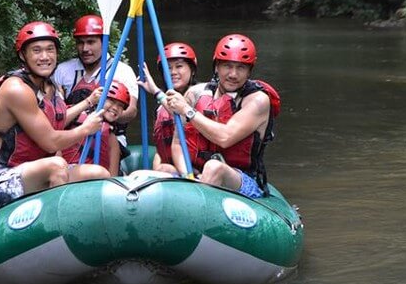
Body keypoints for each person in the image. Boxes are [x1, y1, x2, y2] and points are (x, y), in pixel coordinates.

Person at [0, 21, 110, 209]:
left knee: (99, 173)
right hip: (6, 179)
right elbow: (50, 141)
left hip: (41, 171)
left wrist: (88, 102)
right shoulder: (16, 89)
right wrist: (85, 129)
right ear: (22, 55)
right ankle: (55, 229)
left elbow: (55, 121)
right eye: (36, 50)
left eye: (50, 50)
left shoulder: (52, 87)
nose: (45, 57)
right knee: (57, 166)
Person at [164, 34, 281, 198]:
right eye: (227, 66)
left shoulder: (258, 101)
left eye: (241, 67)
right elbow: (178, 142)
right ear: (216, 66)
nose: (233, 74)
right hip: (197, 175)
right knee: (163, 169)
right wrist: (187, 174)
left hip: (242, 179)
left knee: (214, 167)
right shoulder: (195, 93)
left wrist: (187, 110)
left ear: (249, 71)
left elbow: (225, 137)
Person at [52, 15, 139, 151]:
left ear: (104, 42)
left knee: (105, 135)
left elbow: (131, 111)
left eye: (91, 42)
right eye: (80, 42)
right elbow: (56, 113)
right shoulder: (63, 70)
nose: (85, 48)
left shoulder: (122, 71)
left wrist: (108, 115)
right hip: (71, 135)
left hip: (109, 136)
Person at [137, 42, 198, 174]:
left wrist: (156, 91)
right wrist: (156, 170)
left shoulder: (201, 94)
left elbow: (181, 112)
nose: (173, 72)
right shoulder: (160, 108)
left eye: (179, 66)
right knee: (163, 168)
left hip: (196, 169)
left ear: (192, 70)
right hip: (170, 168)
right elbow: (160, 149)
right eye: (168, 68)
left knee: (165, 169)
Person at [62, 81, 130, 176]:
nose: (115, 108)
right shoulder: (76, 115)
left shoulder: (111, 138)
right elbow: (56, 124)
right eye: (112, 101)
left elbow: (112, 175)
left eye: (120, 106)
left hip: (93, 182)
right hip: (63, 173)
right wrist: (89, 101)